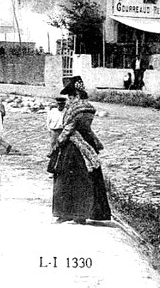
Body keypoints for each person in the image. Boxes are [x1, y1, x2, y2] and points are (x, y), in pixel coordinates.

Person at [50, 76, 111, 224]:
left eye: (71, 96)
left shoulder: (75, 109)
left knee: (67, 179)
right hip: (88, 142)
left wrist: (57, 143)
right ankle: (85, 213)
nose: (69, 100)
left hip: (73, 146)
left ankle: (68, 213)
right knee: (89, 179)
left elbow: (68, 128)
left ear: (77, 95)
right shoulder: (89, 108)